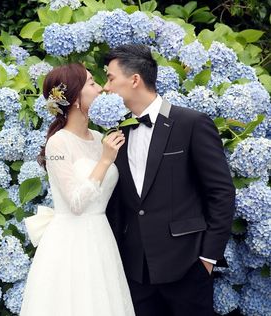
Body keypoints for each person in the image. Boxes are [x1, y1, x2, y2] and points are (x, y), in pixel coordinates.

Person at [104, 44, 236, 316]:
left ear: (134, 79)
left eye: (110, 78)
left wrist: (207, 258)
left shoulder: (191, 123)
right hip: (136, 271)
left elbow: (221, 192)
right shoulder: (117, 132)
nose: (106, 87)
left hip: (188, 265)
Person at [20, 63, 135, 316]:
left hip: (101, 238)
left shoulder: (98, 138)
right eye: (92, 84)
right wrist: (105, 160)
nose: (100, 89)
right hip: (70, 243)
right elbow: (76, 203)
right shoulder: (58, 143)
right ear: (74, 98)